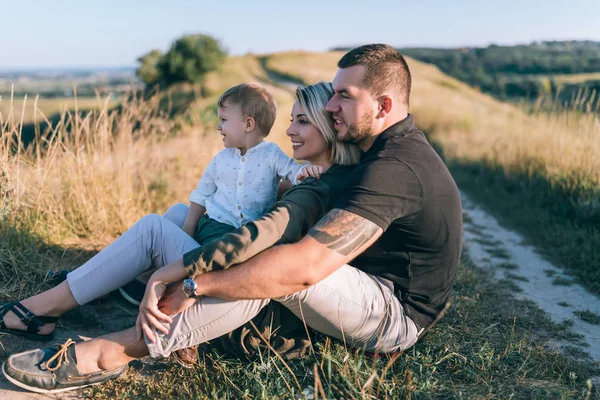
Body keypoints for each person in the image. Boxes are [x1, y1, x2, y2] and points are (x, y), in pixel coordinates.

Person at [3, 44, 463, 394]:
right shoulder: (361, 157)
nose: (330, 106)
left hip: (391, 315)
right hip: (346, 286)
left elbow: (301, 267)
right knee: (200, 235)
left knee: (270, 268)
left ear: (383, 106)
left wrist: (191, 283)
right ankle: (62, 303)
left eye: (344, 96)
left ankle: (109, 352)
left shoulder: (395, 166)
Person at [0, 81, 362, 393]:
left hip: (237, 305)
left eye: (302, 122)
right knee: (176, 214)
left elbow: (257, 240)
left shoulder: (313, 188)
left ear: (329, 129)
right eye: (290, 120)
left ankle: (46, 310)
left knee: (154, 228)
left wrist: (177, 276)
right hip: (235, 284)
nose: (288, 132)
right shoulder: (309, 176)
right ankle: (110, 285)